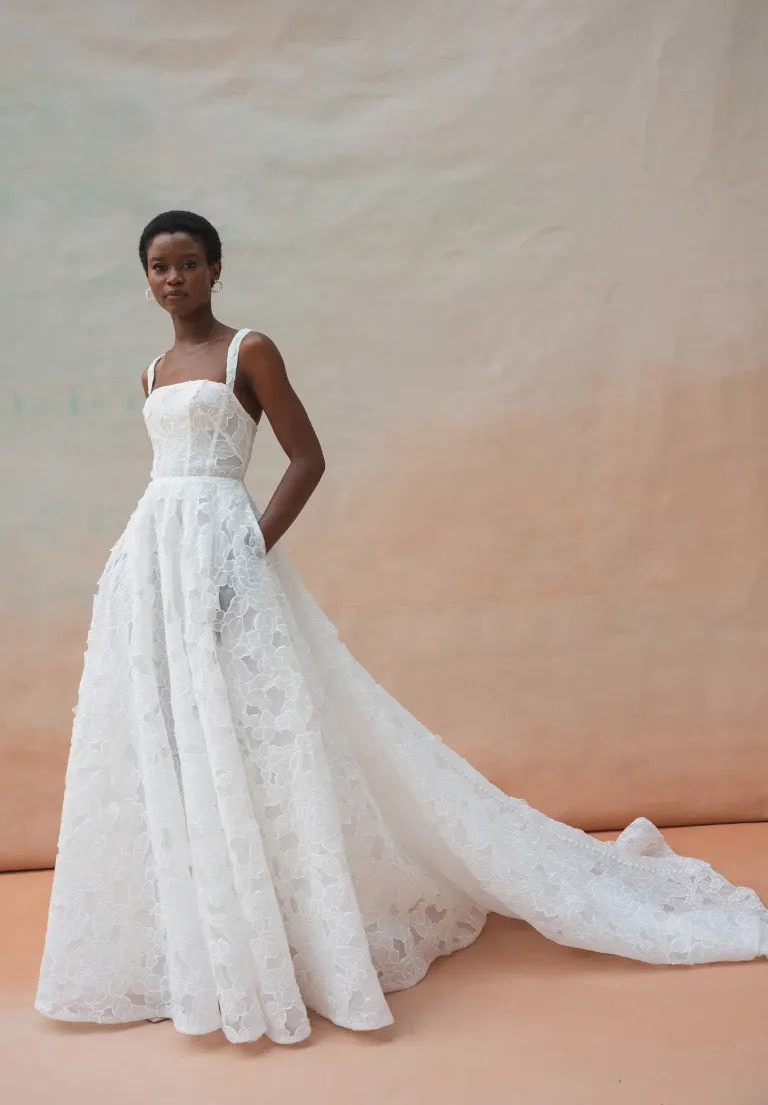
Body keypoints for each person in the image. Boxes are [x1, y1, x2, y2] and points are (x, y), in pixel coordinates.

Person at [34, 210, 768, 1046]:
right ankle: (215, 940)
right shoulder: (153, 371)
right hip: (150, 566)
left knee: (263, 740)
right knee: (183, 742)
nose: (175, 279)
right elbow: (165, 484)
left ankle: (300, 939)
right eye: (160, 268)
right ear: (147, 278)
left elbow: (306, 458)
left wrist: (246, 554)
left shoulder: (250, 352)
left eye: (190, 264)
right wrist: (155, 568)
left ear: (217, 269)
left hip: (226, 560)